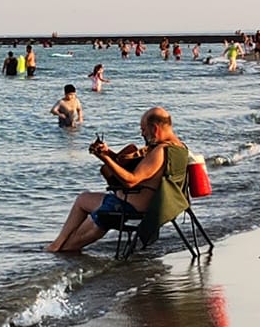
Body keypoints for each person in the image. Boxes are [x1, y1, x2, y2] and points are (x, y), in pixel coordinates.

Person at [47, 107, 184, 254]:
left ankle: (58, 249)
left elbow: (131, 181)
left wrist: (104, 158)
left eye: (143, 129)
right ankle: (57, 244)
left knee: (67, 248)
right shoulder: (179, 148)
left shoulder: (159, 152)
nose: (142, 134)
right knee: (82, 199)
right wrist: (108, 153)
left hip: (129, 208)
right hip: (149, 205)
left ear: (155, 128)